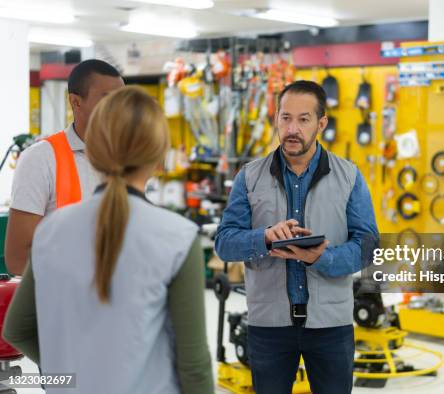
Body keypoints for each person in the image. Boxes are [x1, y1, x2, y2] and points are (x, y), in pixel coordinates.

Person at [3, 87, 214, 394]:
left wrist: (69, 373)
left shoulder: (51, 232)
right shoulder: (178, 238)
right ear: (158, 156)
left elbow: (18, 329)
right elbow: (193, 365)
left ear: (96, 150)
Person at [215, 80, 378, 393]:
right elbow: (225, 243)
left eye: (303, 119)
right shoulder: (249, 176)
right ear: (276, 118)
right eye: (285, 118)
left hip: (331, 324)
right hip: (268, 325)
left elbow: (368, 246)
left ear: (321, 123)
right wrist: (262, 238)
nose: (292, 128)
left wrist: (322, 258)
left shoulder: (349, 176)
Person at [5, 59, 124, 275]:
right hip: (63, 301)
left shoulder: (128, 158)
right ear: (76, 102)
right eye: (107, 100)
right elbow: (18, 257)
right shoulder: (40, 159)